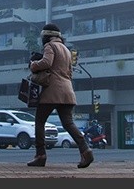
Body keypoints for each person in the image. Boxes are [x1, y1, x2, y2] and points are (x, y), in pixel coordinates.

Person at [28, 23, 94, 168]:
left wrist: (33, 65)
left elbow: (46, 62)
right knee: (68, 123)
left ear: (47, 36)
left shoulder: (50, 46)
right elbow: (70, 73)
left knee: (39, 121)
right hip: (67, 91)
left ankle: (40, 155)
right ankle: (86, 150)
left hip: (52, 91)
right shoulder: (66, 49)